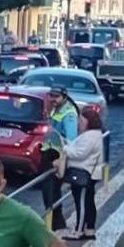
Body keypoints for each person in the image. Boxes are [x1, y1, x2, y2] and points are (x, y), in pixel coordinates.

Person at [62, 105, 104, 240]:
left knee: (82, 203)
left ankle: (78, 231)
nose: (79, 123)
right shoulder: (95, 134)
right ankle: (89, 230)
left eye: (81, 120)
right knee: (88, 202)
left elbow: (79, 153)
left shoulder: (89, 136)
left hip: (84, 173)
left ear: (88, 121)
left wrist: (64, 148)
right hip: (90, 173)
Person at [42, 86, 79, 234]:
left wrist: (61, 160)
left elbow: (71, 140)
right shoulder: (56, 109)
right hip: (49, 153)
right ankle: (55, 222)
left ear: (64, 97)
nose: (53, 99)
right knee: (49, 191)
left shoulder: (69, 114)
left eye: (56, 96)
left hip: (57, 157)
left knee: (51, 191)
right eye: (52, 95)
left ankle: (55, 223)